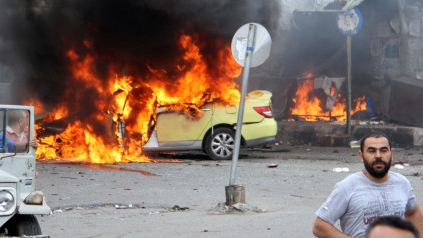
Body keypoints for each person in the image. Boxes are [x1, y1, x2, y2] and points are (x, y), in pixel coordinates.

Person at [312, 131, 423, 238]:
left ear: (391, 154)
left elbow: (413, 212)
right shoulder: (347, 187)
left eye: (383, 150)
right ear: (361, 155)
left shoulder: (402, 183)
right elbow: (320, 226)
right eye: (371, 151)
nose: (378, 156)